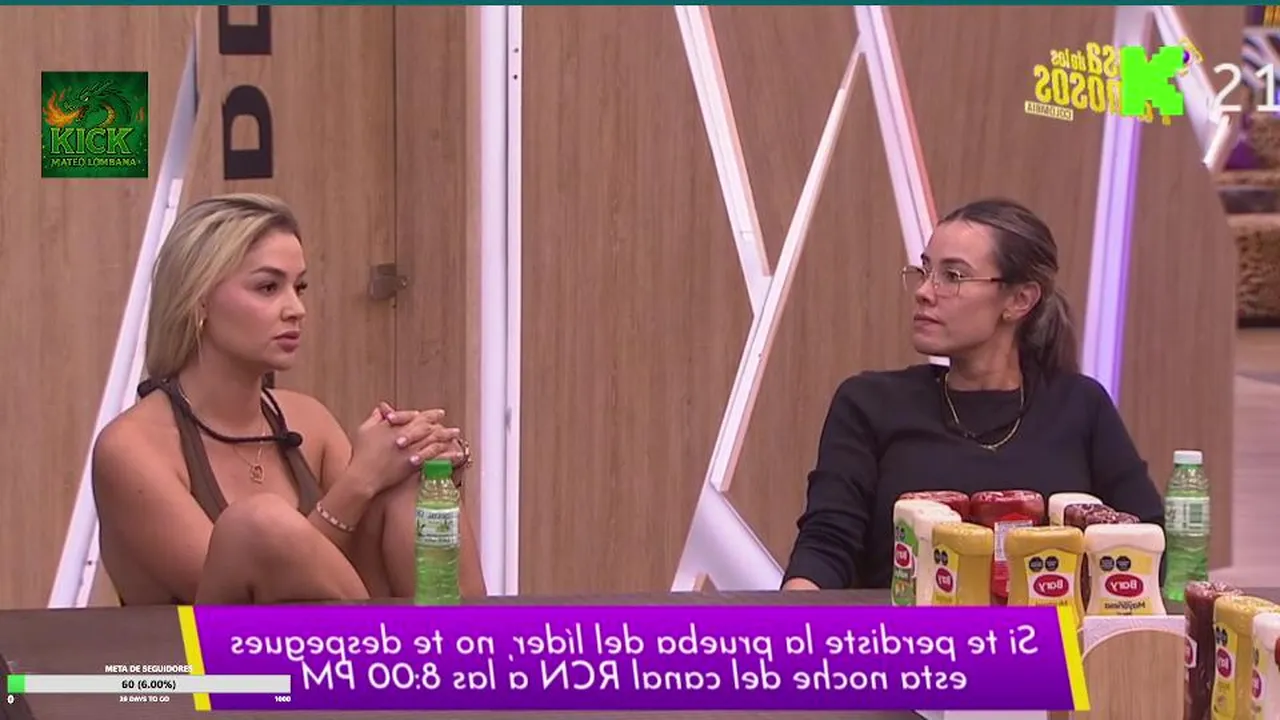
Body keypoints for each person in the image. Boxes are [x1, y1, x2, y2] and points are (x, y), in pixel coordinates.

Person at [92, 193, 486, 605]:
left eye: (299, 288)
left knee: (407, 481)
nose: (296, 309)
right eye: (268, 287)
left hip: (327, 639)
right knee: (257, 525)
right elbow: (243, 594)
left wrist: (426, 460)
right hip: (208, 647)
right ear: (199, 300)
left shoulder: (307, 419)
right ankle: (386, 641)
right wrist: (360, 479)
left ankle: (461, 642)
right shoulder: (131, 448)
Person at [781, 198, 1164, 591]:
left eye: (953, 276)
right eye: (925, 270)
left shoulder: (1079, 406)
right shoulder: (869, 404)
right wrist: (790, 618)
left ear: (1019, 300)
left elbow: (1150, 544)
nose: (924, 292)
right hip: (904, 629)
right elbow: (826, 546)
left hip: (1048, 629)